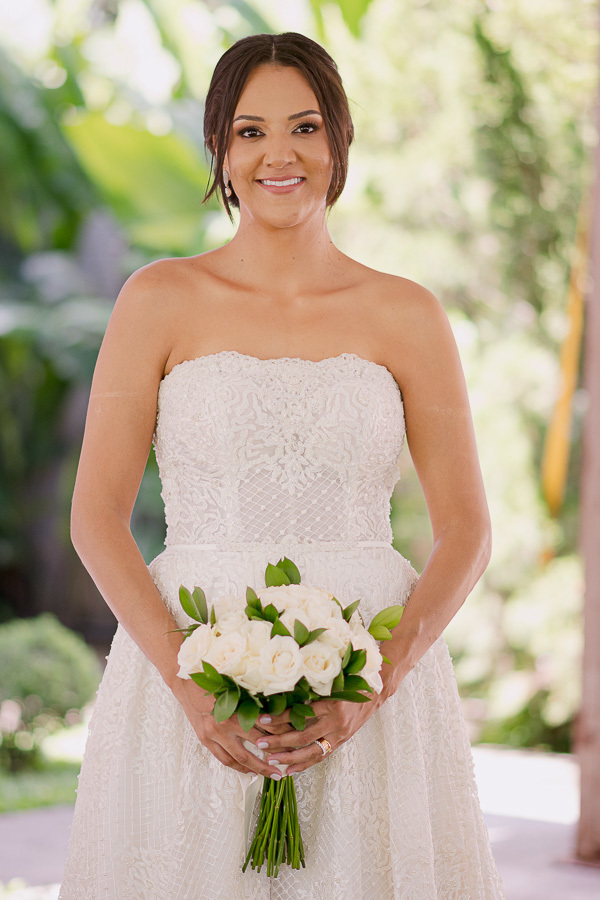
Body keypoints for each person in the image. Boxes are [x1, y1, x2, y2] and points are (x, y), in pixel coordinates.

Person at [58, 31, 505, 899]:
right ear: (221, 152)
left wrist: (373, 682)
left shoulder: (406, 314)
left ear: (338, 140)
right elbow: (95, 516)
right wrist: (191, 687)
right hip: (187, 682)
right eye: (249, 131)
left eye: (303, 126)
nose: (279, 154)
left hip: (370, 689)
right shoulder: (157, 300)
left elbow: (467, 529)